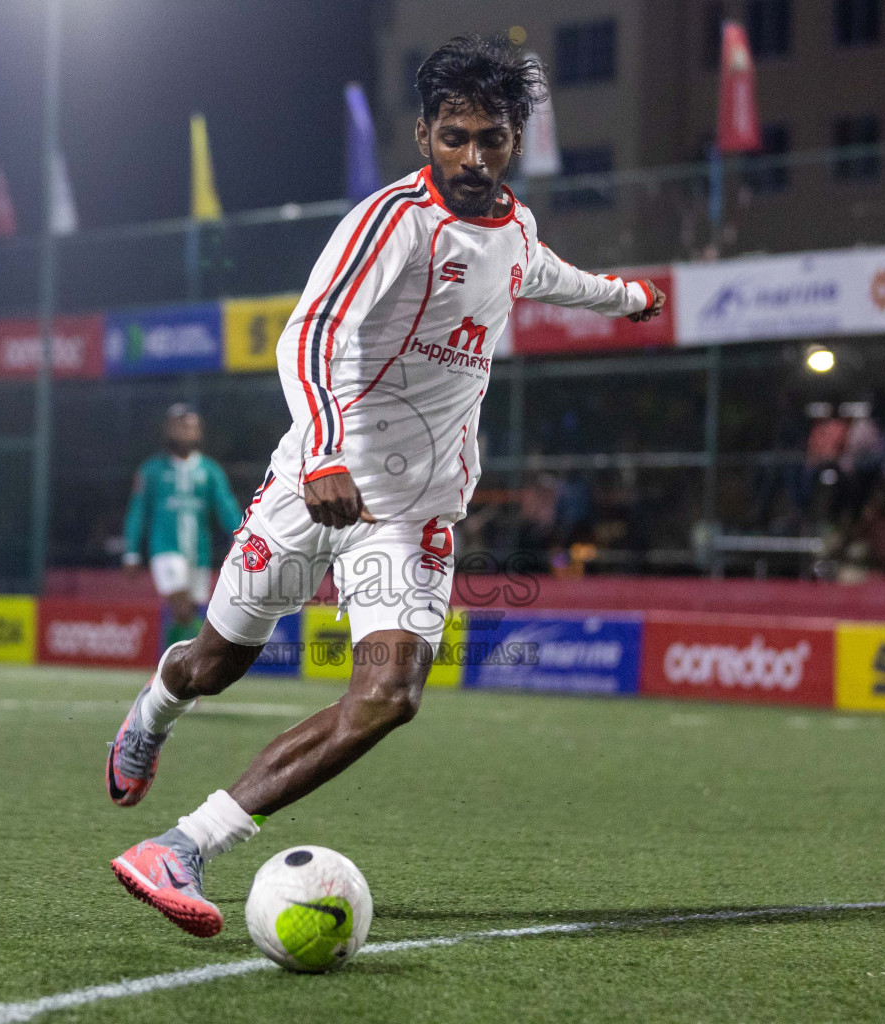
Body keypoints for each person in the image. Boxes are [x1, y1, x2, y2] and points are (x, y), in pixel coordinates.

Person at [102, 35, 665, 937]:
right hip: (314, 483)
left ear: (515, 136)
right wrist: (324, 453)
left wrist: (624, 296)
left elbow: (542, 274)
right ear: (423, 133)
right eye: (454, 137)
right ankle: (152, 713)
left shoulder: (513, 229)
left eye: (491, 138)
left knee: (390, 696)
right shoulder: (390, 223)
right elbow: (309, 336)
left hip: (411, 516)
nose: (473, 158)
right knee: (215, 663)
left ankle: (184, 846)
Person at [121, 404, 244, 646]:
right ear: (168, 430)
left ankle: (172, 664)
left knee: (188, 613)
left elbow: (226, 508)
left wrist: (242, 539)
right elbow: (137, 512)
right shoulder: (152, 470)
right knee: (181, 606)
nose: (185, 432)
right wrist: (131, 551)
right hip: (165, 549)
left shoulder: (210, 471)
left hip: (199, 552)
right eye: (179, 426)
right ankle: (198, 660)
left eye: (190, 426)